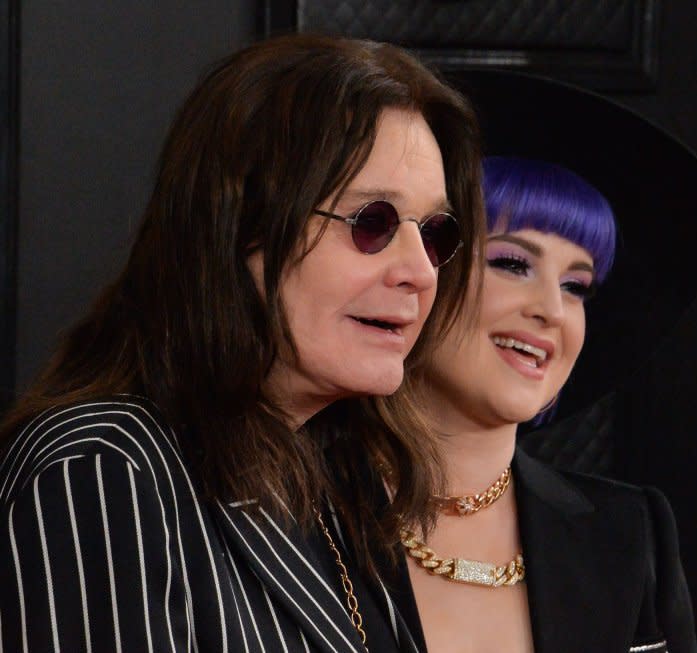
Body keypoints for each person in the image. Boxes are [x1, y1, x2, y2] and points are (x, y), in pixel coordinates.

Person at [0, 34, 484, 652]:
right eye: (373, 223)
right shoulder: (103, 469)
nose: (420, 271)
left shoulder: (340, 475)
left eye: (437, 234)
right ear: (237, 229)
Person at [359, 70, 697, 653]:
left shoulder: (629, 533)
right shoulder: (291, 511)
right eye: (512, 264)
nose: (553, 311)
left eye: (578, 286)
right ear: (420, 270)